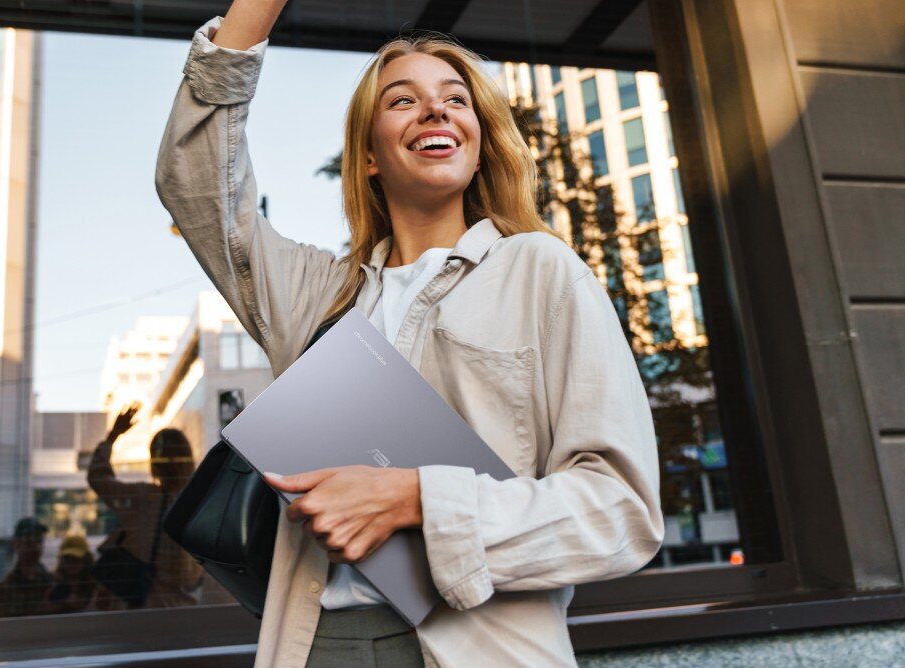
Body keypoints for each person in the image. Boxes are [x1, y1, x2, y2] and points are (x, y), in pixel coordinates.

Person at [155, 1, 665, 664]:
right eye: (403, 100)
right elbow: (196, 187)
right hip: (316, 644)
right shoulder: (318, 295)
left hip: (481, 650)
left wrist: (420, 498)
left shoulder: (540, 270)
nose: (435, 111)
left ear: (479, 145)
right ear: (369, 155)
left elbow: (620, 512)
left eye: (456, 99)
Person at [87, 405, 203, 609]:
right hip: (183, 610)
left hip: (142, 609)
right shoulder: (200, 503)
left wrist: (113, 436)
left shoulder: (142, 498)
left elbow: (98, 477)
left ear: (154, 464)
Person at [0, 517, 54, 618]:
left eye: (39, 540)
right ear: (16, 544)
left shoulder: (53, 583)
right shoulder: (2, 591)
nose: (35, 547)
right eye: (28, 542)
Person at [38, 534, 97, 615]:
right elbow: (41, 610)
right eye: (67, 559)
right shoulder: (53, 582)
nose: (71, 563)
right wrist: (64, 603)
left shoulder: (94, 584)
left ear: (86, 559)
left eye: (75, 559)